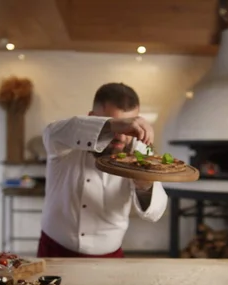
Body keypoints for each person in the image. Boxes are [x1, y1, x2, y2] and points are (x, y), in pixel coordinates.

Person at [37, 83, 169, 258]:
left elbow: (155, 212)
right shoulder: (66, 142)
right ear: (92, 119)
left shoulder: (140, 152)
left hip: (110, 256)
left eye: (129, 127)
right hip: (54, 250)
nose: (122, 136)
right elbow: (50, 133)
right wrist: (112, 125)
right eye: (119, 126)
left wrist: (145, 186)